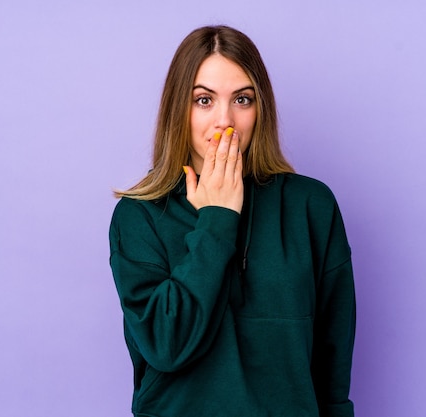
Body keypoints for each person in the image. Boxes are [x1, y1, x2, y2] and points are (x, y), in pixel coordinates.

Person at [109, 25, 356, 417]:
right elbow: (166, 347)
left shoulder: (311, 205)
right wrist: (217, 220)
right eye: (204, 100)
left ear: (261, 109)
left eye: (242, 99)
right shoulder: (139, 216)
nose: (225, 121)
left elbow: (332, 359)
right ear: (179, 108)